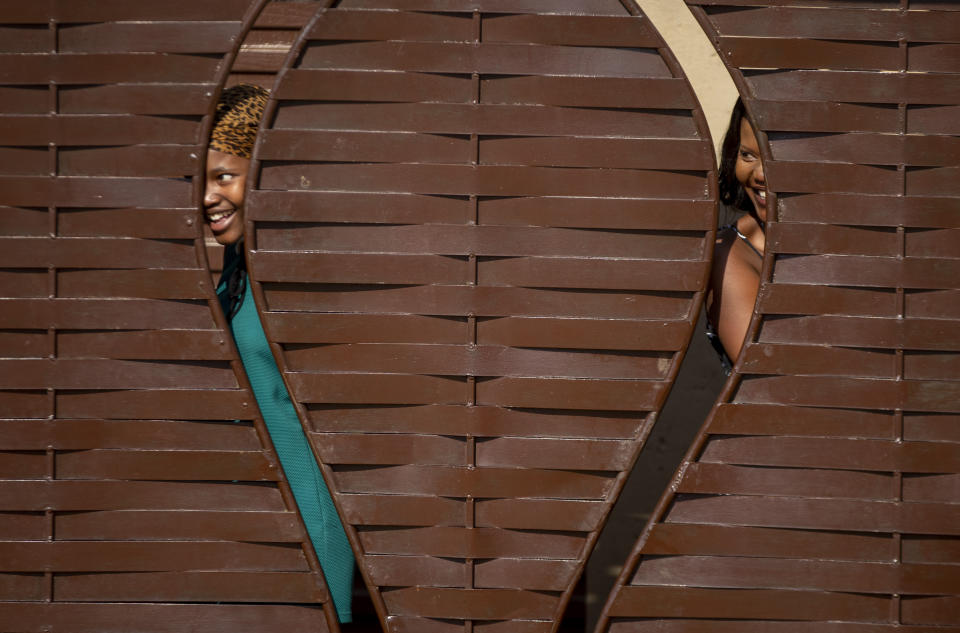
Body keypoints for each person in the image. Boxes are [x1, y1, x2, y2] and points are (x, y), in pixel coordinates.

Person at [205, 84, 355, 622]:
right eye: (198, 181)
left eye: (224, 176)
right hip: (254, 529)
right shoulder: (239, 269)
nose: (207, 198)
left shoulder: (297, 270)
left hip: (308, 528)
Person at [706, 98, 767, 371]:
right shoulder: (729, 253)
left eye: (776, 157)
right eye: (748, 155)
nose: (760, 174)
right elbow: (766, 373)